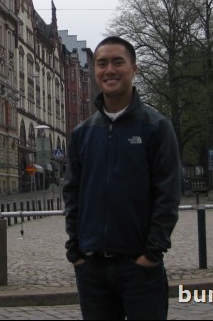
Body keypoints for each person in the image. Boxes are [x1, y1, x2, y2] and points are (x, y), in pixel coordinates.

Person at [63, 36, 182, 320]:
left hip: (139, 267)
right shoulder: (82, 134)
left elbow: (168, 194)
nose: (110, 70)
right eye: (102, 64)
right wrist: (75, 252)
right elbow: (72, 193)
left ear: (134, 69)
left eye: (118, 62)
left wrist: (151, 254)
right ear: (95, 72)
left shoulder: (156, 127)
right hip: (91, 269)